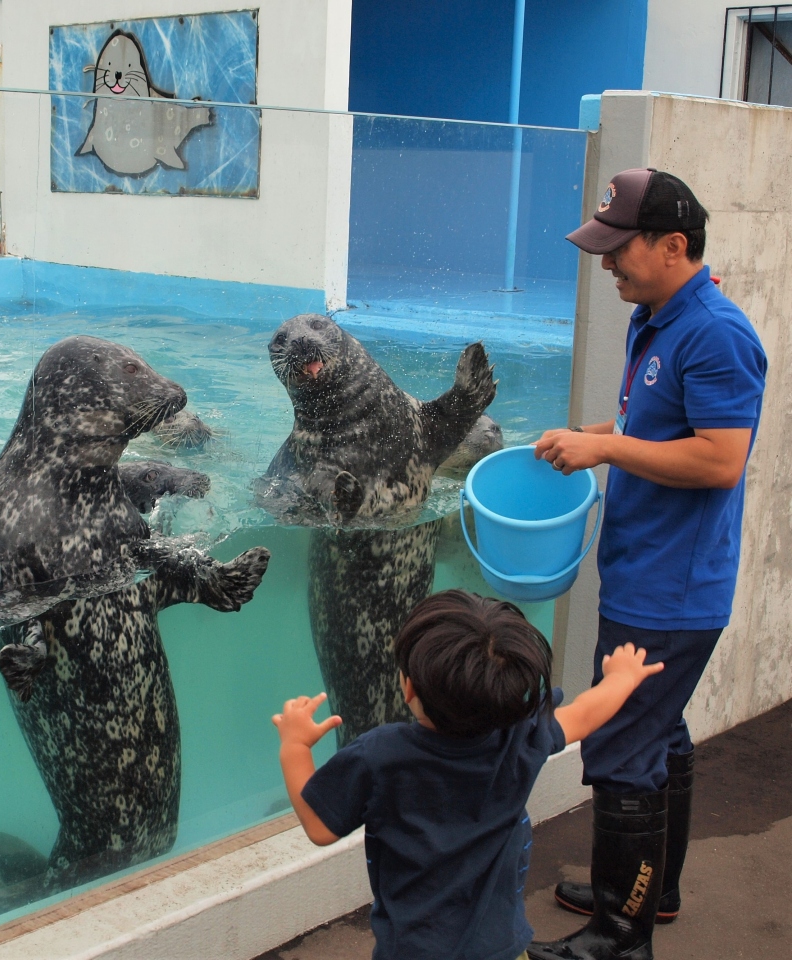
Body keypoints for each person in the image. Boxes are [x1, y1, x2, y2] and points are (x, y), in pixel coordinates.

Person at [527, 168, 767, 960]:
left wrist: (604, 451)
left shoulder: (717, 334)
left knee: (625, 746)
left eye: (618, 249)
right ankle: (651, 889)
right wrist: (587, 436)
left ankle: (619, 936)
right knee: (658, 731)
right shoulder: (658, 316)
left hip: (671, 589)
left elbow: (720, 459)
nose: (606, 265)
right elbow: (650, 424)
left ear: (673, 245)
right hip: (647, 571)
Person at [274, 590, 663, 960]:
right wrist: (622, 678)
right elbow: (584, 714)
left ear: (408, 688)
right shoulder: (520, 736)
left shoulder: (380, 756)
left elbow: (319, 826)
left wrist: (295, 746)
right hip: (503, 948)